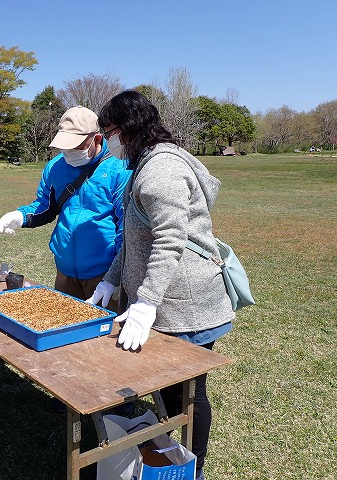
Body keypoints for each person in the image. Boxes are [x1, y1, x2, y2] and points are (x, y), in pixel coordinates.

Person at [88, 90, 235, 480]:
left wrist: (146, 302)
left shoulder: (160, 171)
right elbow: (137, 238)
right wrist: (110, 280)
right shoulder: (146, 163)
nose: (109, 143)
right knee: (171, 393)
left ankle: (192, 469)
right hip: (168, 303)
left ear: (126, 128)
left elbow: (169, 240)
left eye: (110, 133)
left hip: (186, 307)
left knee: (186, 394)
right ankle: (175, 456)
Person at [0, 106, 131, 311]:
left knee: (104, 336)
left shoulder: (119, 168)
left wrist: (118, 274)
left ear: (95, 139)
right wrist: (20, 216)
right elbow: (45, 206)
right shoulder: (55, 166)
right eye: (64, 146)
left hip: (103, 274)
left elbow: (126, 226)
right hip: (65, 270)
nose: (68, 153)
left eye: (75, 146)